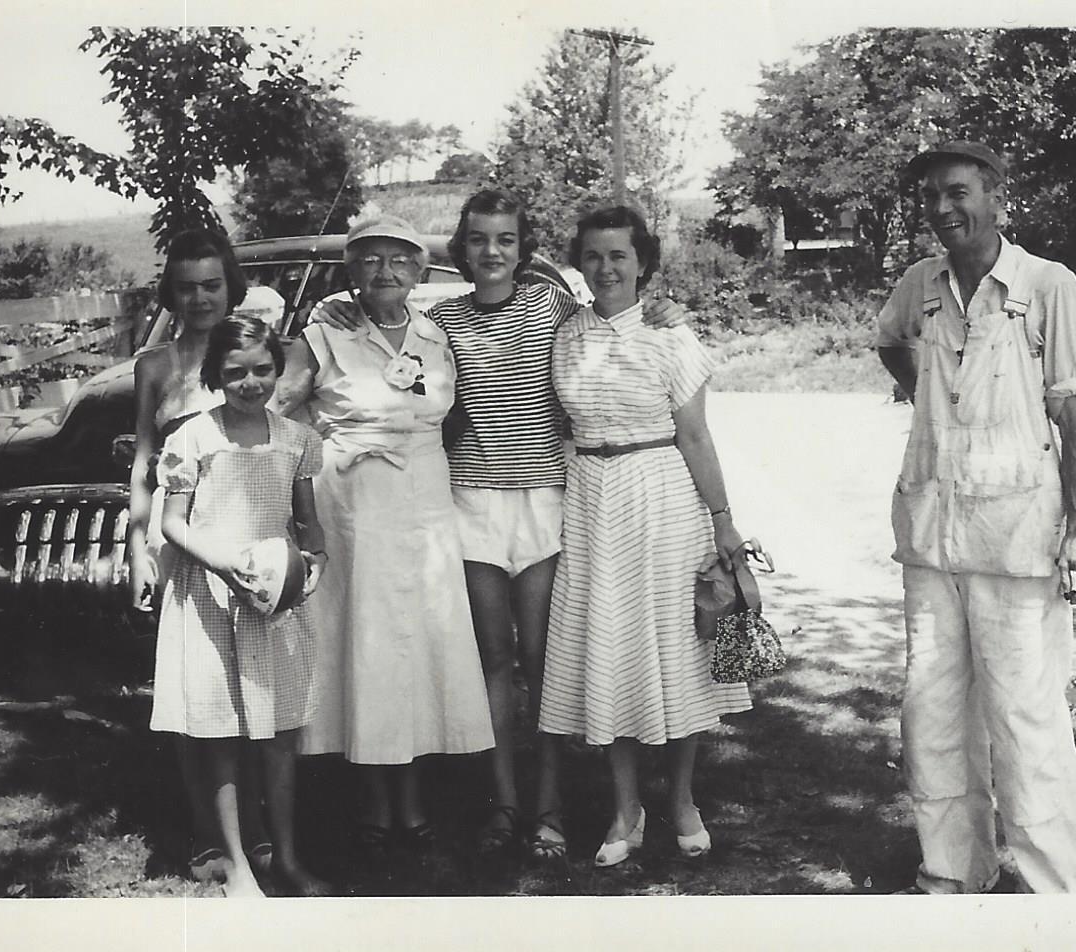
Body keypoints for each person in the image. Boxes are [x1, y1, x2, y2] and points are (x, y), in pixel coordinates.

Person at [311, 191, 686, 863]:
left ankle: (548, 808)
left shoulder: (552, 308)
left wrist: (661, 307)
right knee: (493, 660)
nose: (491, 252)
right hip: (472, 504)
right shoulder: (441, 321)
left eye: (505, 240)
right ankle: (503, 802)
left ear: (523, 249)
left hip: (544, 501)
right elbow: (380, 327)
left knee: (543, 660)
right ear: (462, 250)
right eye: (479, 240)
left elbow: (615, 313)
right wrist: (332, 305)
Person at [875, 141, 1076, 894]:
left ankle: (1053, 896)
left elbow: (1071, 411)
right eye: (931, 197)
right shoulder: (918, 286)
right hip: (931, 535)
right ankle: (951, 875)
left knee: (1024, 721)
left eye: (957, 192)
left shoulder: (1045, 285)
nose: (942, 209)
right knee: (930, 714)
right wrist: (935, 404)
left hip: (1017, 536)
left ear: (997, 195)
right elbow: (888, 342)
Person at [276, 215, 496, 858]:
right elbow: (281, 412)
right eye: (369, 260)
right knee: (370, 647)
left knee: (422, 644)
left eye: (399, 260)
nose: (385, 272)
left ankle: (418, 798)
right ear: (350, 272)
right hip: (353, 508)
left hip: (425, 501)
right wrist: (316, 469)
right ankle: (374, 803)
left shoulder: (438, 331)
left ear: (420, 270)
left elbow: (452, 416)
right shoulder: (323, 334)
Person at [539, 205, 752, 868]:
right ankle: (624, 807)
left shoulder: (671, 336)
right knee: (612, 649)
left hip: (662, 499)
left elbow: (694, 435)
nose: (605, 268)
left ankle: (683, 800)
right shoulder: (565, 332)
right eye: (594, 256)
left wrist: (723, 521)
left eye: (619, 257)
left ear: (644, 266)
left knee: (677, 652)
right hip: (592, 503)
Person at [152, 315, 330, 897]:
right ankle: (238, 867)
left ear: (278, 369)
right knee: (220, 733)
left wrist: (309, 572)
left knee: (279, 736)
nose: (250, 383)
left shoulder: (297, 439)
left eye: (261, 370)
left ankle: (288, 857)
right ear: (213, 377)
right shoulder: (193, 439)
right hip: (209, 598)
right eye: (234, 374)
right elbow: (174, 524)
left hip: (271, 605)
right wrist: (223, 565)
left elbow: (310, 530)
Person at [127, 229, 270, 884]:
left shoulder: (251, 349)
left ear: (229, 284)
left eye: (211, 283)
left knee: (252, 683)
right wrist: (135, 546)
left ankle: (257, 828)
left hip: (243, 527)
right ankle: (209, 839)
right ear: (171, 292)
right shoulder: (155, 364)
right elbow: (142, 462)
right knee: (194, 688)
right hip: (177, 532)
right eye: (186, 286)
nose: (199, 297)